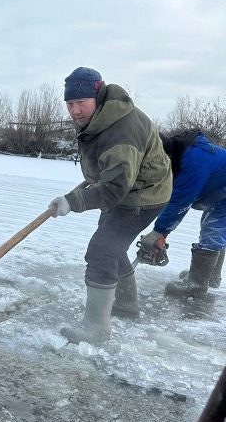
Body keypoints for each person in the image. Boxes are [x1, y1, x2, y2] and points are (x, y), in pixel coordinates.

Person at [48, 67, 172, 343]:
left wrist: (74, 201)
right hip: (131, 188)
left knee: (102, 251)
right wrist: (78, 193)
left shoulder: (121, 129)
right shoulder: (102, 116)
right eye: (70, 104)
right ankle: (126, 307)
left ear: (98, 94)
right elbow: (110, 172)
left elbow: (116, 187)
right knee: (113, 247)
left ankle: (96, 329)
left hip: (142, 195)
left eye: (81, 103)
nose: (75, 111)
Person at [138, 129, 226, 297]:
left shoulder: (194, 159)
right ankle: (209, 277)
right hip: (221, 191)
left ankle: (197, 284)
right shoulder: (179, 157)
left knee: (213, 228)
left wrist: (160, 231)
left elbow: (180, 201)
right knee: (214, 227)